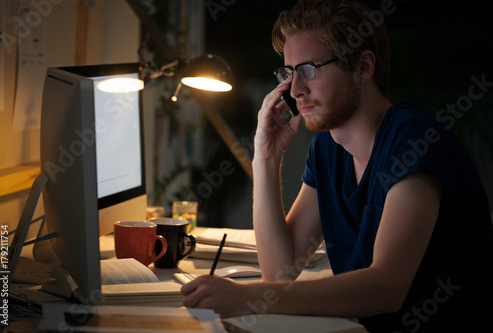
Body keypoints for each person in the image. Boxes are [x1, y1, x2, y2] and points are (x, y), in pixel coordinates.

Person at [181, 0, 493, 331]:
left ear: (363, 68)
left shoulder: (414, 141)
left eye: (309, 69)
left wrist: (245, 298)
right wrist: (266, 159)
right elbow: (281, 271)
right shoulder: (329, 148)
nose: (296, 90)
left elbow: (386, 288)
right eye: (288, 73)